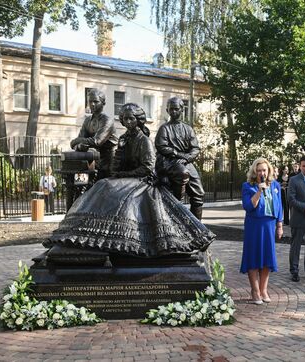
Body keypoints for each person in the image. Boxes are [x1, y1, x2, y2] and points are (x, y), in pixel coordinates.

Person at [46, 103, 214, 259]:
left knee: (115, 191)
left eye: (131, 118)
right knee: (102, 185)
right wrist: (117, 171)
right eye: (125, 119)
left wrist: (125, 174)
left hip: (142, 181)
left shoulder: (144, 140)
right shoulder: (124, 139)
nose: (127, 122)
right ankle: (87, 230)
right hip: (126, 178)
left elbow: (147, 168)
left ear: (138, 120)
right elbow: (116, 165)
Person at [241, 158, 283, 304]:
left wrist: (279, 225)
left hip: (269, 225)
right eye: (259, 170)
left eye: (264, 170)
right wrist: (259, 190)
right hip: (254, 225)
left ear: (268, 171)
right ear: (254, 171)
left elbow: (279, 206)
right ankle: (255, 290)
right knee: (254, 257)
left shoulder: (275, 185)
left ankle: (264, 289)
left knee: (267, 257)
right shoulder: (248, 186)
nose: (262, 173)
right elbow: (248, 206)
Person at [155, 97, 204, 220]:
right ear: (167, 110)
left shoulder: (188, 129)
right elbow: (162, 146)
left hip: (186, 162)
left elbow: (195, 148)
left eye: (176, 109)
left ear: (182, 110)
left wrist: (187, 158)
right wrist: (178, 154)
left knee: (199, 194)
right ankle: (177, 217)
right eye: (171, 109)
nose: (174, 112)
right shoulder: (164, 128)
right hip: (170, 161)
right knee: (180, 179)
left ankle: (197, 227)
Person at [70, 89, 118, 180]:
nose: (92, 104)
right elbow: (75, 143)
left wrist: (77, 141)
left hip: (111, 159)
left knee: (108, 186)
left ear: (103, 103)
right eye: (90, 101)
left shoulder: (107, 121)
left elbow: (97, 141)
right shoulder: (88, 120)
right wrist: (79, 146)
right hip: (97, 158)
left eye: (96, 101)